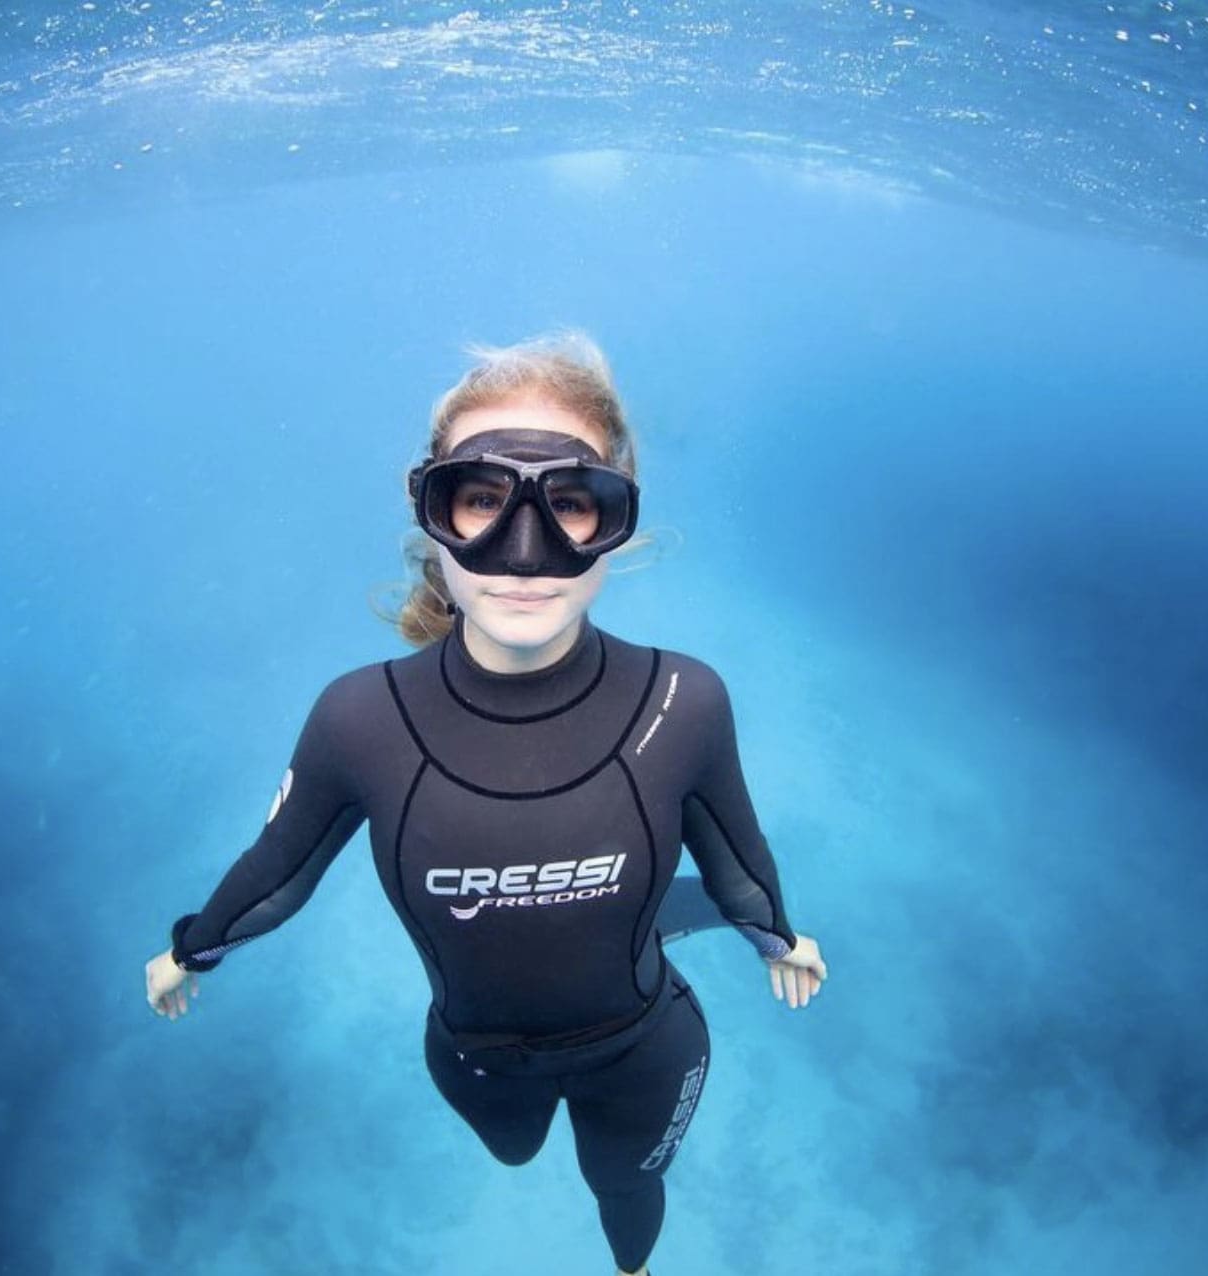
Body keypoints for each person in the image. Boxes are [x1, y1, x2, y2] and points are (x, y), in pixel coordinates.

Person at [144, 331, 828, 1276]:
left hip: (645, 1049)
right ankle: (663, 920)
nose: (522, 550)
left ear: (617, 520)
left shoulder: (686, 701)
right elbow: (276, 873)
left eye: (572, 505)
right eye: (480, 498)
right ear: (434, 515)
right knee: (512, 1149)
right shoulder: (359, 720)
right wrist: (192, 948)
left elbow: (737, 863)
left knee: (624, 1190)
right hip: (474, 1058)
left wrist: (777, 935)